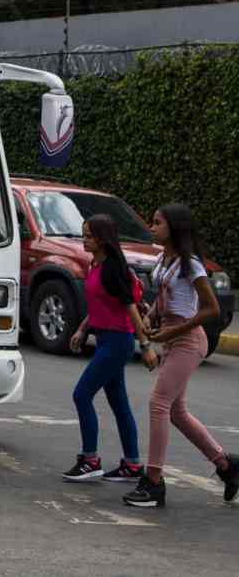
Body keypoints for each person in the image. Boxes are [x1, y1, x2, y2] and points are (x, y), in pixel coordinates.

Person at [124, 204, 239, 508]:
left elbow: (211, 309)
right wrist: (150, 317)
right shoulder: (163, 260)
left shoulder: (192, 265)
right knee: (176, 412)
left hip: (188, 341)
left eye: (157, 223)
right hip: (172, 339)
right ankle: (227, 466)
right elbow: (163, 298)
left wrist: (172, 332)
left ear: (174, 228)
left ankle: (153, 482)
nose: (152, 227)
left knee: (158, 404)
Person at [63, 214, 155, 483]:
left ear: (103, 240)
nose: (84, 239)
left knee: (81, 395)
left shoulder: (115, 269)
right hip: (105, 339)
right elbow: (99, 306)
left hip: (118, 342)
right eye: (84, 234)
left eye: (89, 235)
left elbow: (130, 309)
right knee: (119, 404)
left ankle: (90, 460)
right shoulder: (96, 265)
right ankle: (132, 465)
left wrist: (146, 346)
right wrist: (82, 329)